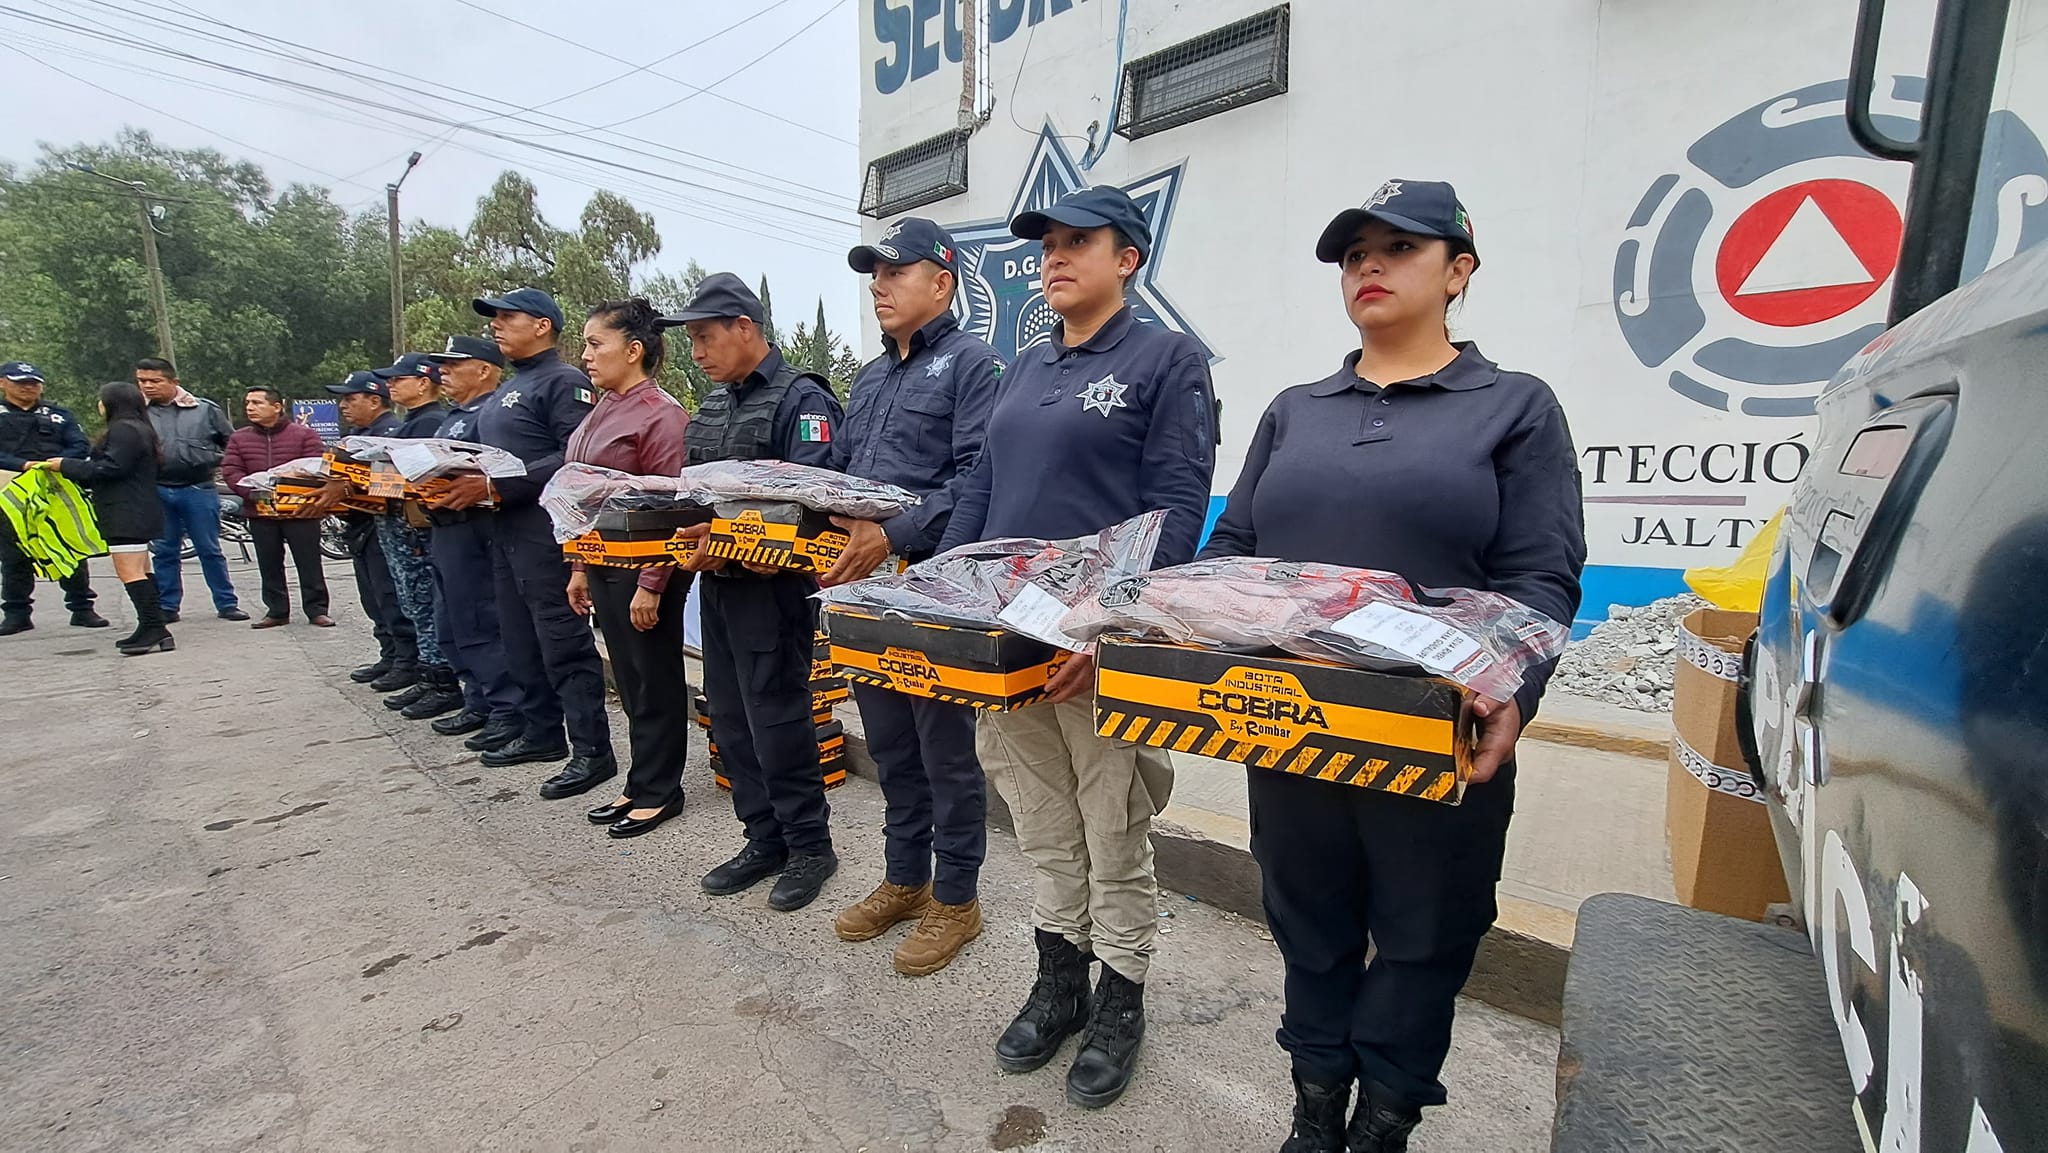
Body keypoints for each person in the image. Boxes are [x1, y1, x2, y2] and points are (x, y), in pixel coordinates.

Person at [1201, 182, 1585, 1153]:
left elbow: (1538, 573)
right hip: (1288, 717)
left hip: (1431, 725)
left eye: (1397, 248)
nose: (1367, 265)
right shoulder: (1295, 411)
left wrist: (1508, 687)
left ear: (1457, 272)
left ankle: (1384, 1117)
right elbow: (1235, 547)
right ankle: (1316, 1099)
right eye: (1350, 252)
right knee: (1306, 914)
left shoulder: (1511, 408)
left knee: (1425, 930)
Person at [936, 186, 1216, 1109]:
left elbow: (1176, 502)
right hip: (1009, 639)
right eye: (1047, 244)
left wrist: (1116, 629)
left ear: (1128, 257)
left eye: (1078, 242)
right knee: (1043, 820)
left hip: (1097, 644)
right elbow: (981, 486)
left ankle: (1119, 997)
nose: (1055, 257)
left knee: (1115, 822)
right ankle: (1058, 978)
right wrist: (947, 592)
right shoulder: (1022, 369)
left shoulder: (1167, 359)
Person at [821, 218, 1003, 976]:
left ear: (942, 280)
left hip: (935, 588)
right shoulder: (868, 377)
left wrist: (893, 534)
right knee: (892, 744)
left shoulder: (973, 366)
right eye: (873, 273)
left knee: (944, 753)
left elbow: (978, 479)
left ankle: (957, 899)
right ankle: (906, 878)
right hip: (867, 591)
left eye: (895, 271)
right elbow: (840, 473)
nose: (879, 285)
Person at [667, 273, 844, 912]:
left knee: (777, 720)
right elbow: (696, 493)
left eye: (705, 337)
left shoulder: (803, 401)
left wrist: (740, 541)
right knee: (732, 720)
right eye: (690, 342)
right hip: (716, 586)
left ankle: (808, 846)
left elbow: (816, 500)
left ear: (746, 326)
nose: (698, 353)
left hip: (775, 592)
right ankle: (761, 838)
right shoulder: (712, 405)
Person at [434, 288, 613, 791]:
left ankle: (591, 749)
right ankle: (541, 731)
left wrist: (496, 484)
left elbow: (575, 458)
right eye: (494, 318)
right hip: (502, 532)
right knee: (518, 639)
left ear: (541, 325)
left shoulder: (563, 381)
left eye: (507, 317)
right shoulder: (508, 391)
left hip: (545, 533)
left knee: (562, 642)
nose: (496, 325)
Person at [564, 298, 693, 834]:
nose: (587, 355)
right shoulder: (599, 412)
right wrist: (577, 567)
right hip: (602, 563)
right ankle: (639, 780)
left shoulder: (661, 415)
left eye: (597, 344)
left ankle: (662, 789)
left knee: (654, 676)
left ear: (634, 350)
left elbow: (673, 508)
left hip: (647, 569)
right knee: (630, 678)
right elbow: (576, 497)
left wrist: (653, 585)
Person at [422, 335, 524, 750]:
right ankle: (479, 698)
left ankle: (507, 709)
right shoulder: (454, 416)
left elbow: (503, 471)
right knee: (453, 622)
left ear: (484, 369)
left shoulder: (493, 414)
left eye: (453, 364)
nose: (442, 372)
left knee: (482, 622)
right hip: (445, 528)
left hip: (476, 527)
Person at [30, 381, 172, 654]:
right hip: (138, 508)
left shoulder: (124, 430)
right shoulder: (141, 428)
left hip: (126, 510)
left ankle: (153, 626)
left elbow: (111, 468)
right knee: (142, 569)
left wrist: (66, 465)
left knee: (129, 571)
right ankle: (154, 626)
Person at [368, 353, 463, 721]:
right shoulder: (411, 423)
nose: (390, 386)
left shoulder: (432, 421)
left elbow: (422, 478)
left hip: (417, 527)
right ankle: (428, 674)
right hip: (398, 524)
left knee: (425, 604)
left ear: (424, 382)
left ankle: (441, 680)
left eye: (398, 379)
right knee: (414, 604)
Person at [324, 371, 419, 693]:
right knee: (374, 597)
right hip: (362, 526)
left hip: (387, 526)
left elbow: (396, 486)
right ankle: (391, 654)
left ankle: (408, 660)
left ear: (374, 400)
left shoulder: (390, 433)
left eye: (350, 399)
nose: (343, 406)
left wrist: (350, 486)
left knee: (392, 597)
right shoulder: (357, 435)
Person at [136, 357, 246, 622]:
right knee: (164, 551)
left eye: (155, 381)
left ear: (174, 381)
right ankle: (168, 606)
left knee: (209, 548)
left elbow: (232, 444)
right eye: (142, 381)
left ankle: (226, 603)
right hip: (158, 489)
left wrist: (208, 458)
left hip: (198, 487)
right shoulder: (138, 411)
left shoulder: (204, 409)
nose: (148, 386)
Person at [0, 360, 106, 633]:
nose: (28, 388)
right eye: (20, 382)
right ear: (3, 383)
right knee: (14, 553)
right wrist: (22, 465)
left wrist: (55, 462)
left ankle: (82, 608)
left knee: (69, 546)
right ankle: (17, 612)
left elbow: (79, 444)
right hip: (10, 490)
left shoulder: (59, 414)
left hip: (56, 486)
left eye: (33, 383)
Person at [221, 385, 332, 629]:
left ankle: (317, 609)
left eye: (257, 403)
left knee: (309, 561)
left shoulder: (304, 435)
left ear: (277, 406)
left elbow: (315, 467)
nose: (250, 407)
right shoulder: (240, 438)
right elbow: (231, 470)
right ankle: (277, 610)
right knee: (269, 562)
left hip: (300, 510)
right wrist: (252, 491)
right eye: (248, 403)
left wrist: (292, 488)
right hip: (260, 509)